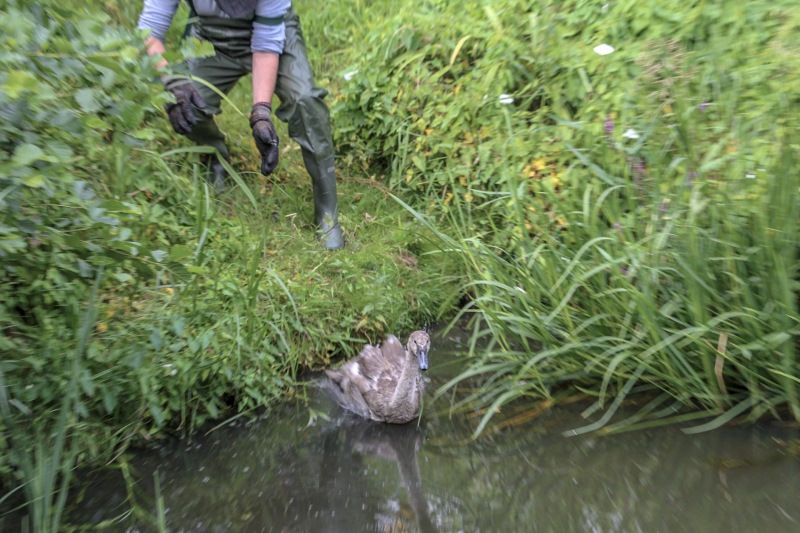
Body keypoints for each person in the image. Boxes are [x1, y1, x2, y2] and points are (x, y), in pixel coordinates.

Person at [138, 0, 344, 249]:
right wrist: (171, 82)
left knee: (306, 102)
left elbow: (266, 44)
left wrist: (261, 113)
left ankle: (327, 210)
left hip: (276, 37)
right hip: (211, 39)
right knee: (184, 104)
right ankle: (215, 157)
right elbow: (148, 31)